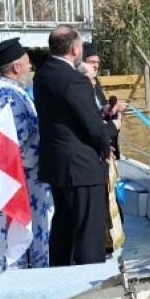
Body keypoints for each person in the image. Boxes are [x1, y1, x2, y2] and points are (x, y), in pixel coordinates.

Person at [34, 25, 121, 266]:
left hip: (56, 164)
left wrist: (100, 114)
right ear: (74, 49)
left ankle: (59, 273)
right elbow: (95, 129)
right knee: (89, 230)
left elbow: (67, 116)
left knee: (63, 224)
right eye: (81, 46)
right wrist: (114, 126)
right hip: (81, 168)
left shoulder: (42, 75)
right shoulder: (75, 80)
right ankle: (88, 281)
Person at [0, 38, 54, 271]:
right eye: (27, 63)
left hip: (23, 180)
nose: (31, 67)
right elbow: (15, 147)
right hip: (19, 181)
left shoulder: (8, 91)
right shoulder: (5, 97)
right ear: (16, 68)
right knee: (14, 237)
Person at [83, 42, 127, 158]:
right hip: (93, 139)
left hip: (105, 133)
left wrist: (112, 108)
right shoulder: (79, 86)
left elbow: (101, 106)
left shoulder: (96, 83)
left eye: (97, 62)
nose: (96, 65)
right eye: (92, 62)